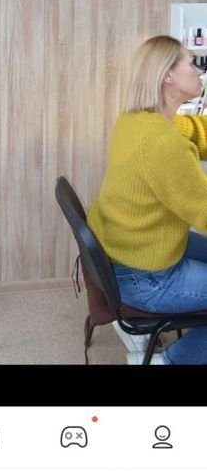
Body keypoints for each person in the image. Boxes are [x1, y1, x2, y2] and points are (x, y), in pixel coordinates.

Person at [87, 35, 207, 365]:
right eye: (191, 63)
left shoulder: (136, 120)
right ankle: (169, 362)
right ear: (167, 76)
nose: (200, 71)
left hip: (130, 251)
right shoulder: (164, 143)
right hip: (147, 277)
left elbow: (192, 129)